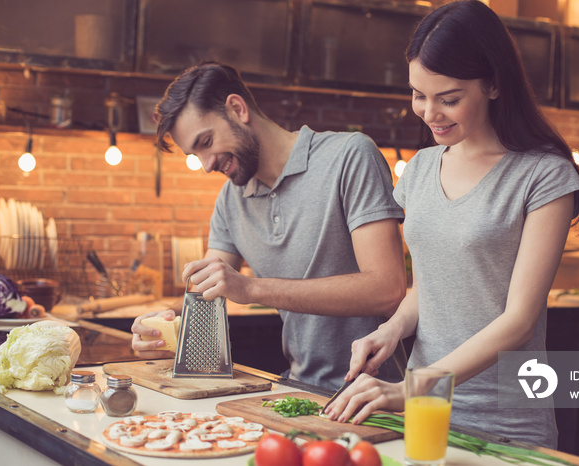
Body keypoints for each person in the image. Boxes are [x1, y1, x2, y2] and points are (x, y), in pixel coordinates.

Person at [324, 0, 579, 449]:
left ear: (493, 84)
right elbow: (432, 286)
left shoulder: (544, 176)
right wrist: (391, 329)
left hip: (505, 420)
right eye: (418, 95)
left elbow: (519, 321)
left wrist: (409, 388)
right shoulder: (420, 169)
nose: (430, 113)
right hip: (425, 413)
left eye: (448, 99)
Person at [130, 62, 407, 391]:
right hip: (297, 389)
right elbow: (205, 291)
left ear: (237, 109)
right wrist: (163, 321)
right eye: (195, 153)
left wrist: (251, 289)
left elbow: (387, 290)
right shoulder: (230, 201)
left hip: (376, 394)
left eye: (206, 142)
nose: (206, 165)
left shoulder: (349, 156)